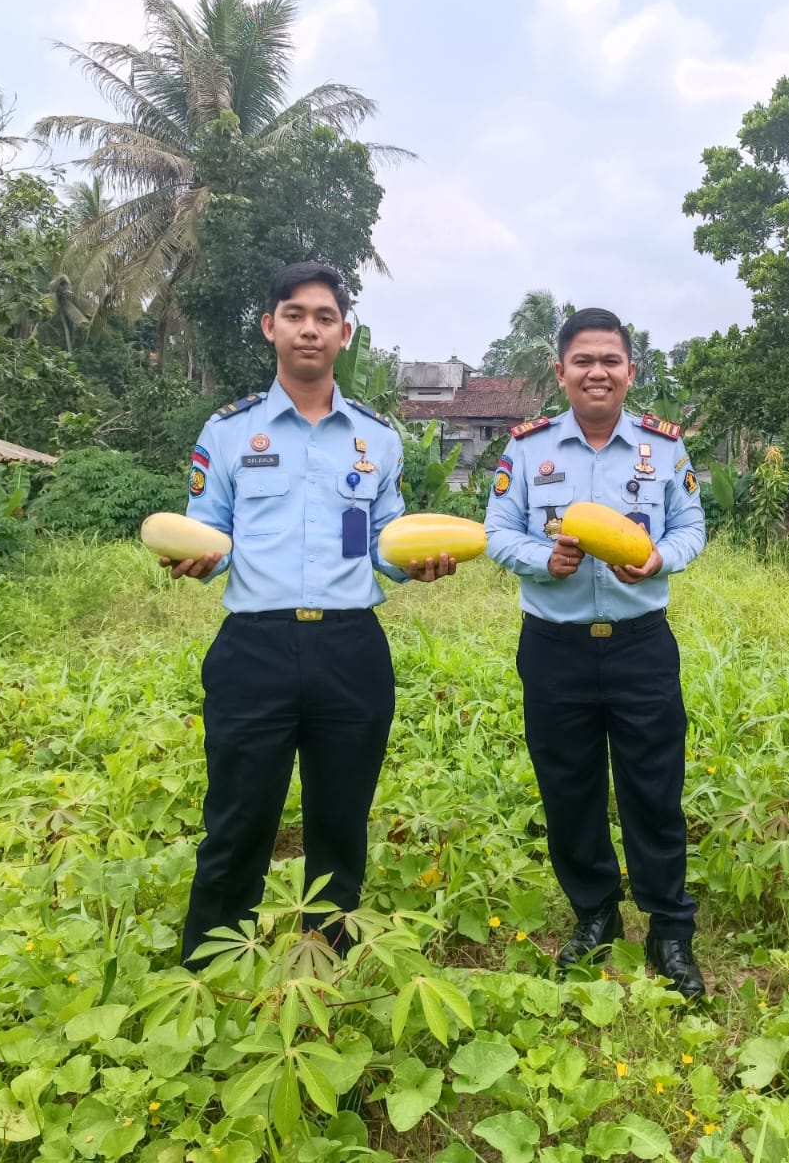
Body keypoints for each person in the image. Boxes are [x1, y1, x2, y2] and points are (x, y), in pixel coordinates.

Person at [161, 260, 457, 968]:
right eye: (295, 314)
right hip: (253, 647)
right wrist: (195, 559)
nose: (310, 329)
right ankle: (212, 961)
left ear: (345, 333)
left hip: (352, 648)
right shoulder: (228, 431)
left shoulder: (378, 438)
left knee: (340, 816)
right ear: (271, 326)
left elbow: (386, 542)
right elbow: (210, 532)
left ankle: (327, 950)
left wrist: (415, 563)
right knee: (238, 815)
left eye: (325, 318)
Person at [483, 307, 709, 997]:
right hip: (555, 646)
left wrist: (661, 558)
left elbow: (693, 525)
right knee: (569, 787)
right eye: (583, 360)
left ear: (630, 372)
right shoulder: (527, 449)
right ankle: (595, 916)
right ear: (561, 373)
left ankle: (670, 929)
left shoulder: (664, 448)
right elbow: (496, 531)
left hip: (641, 643)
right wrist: (540, 558)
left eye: (611, 360)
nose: (597, 372)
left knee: (653, 786)